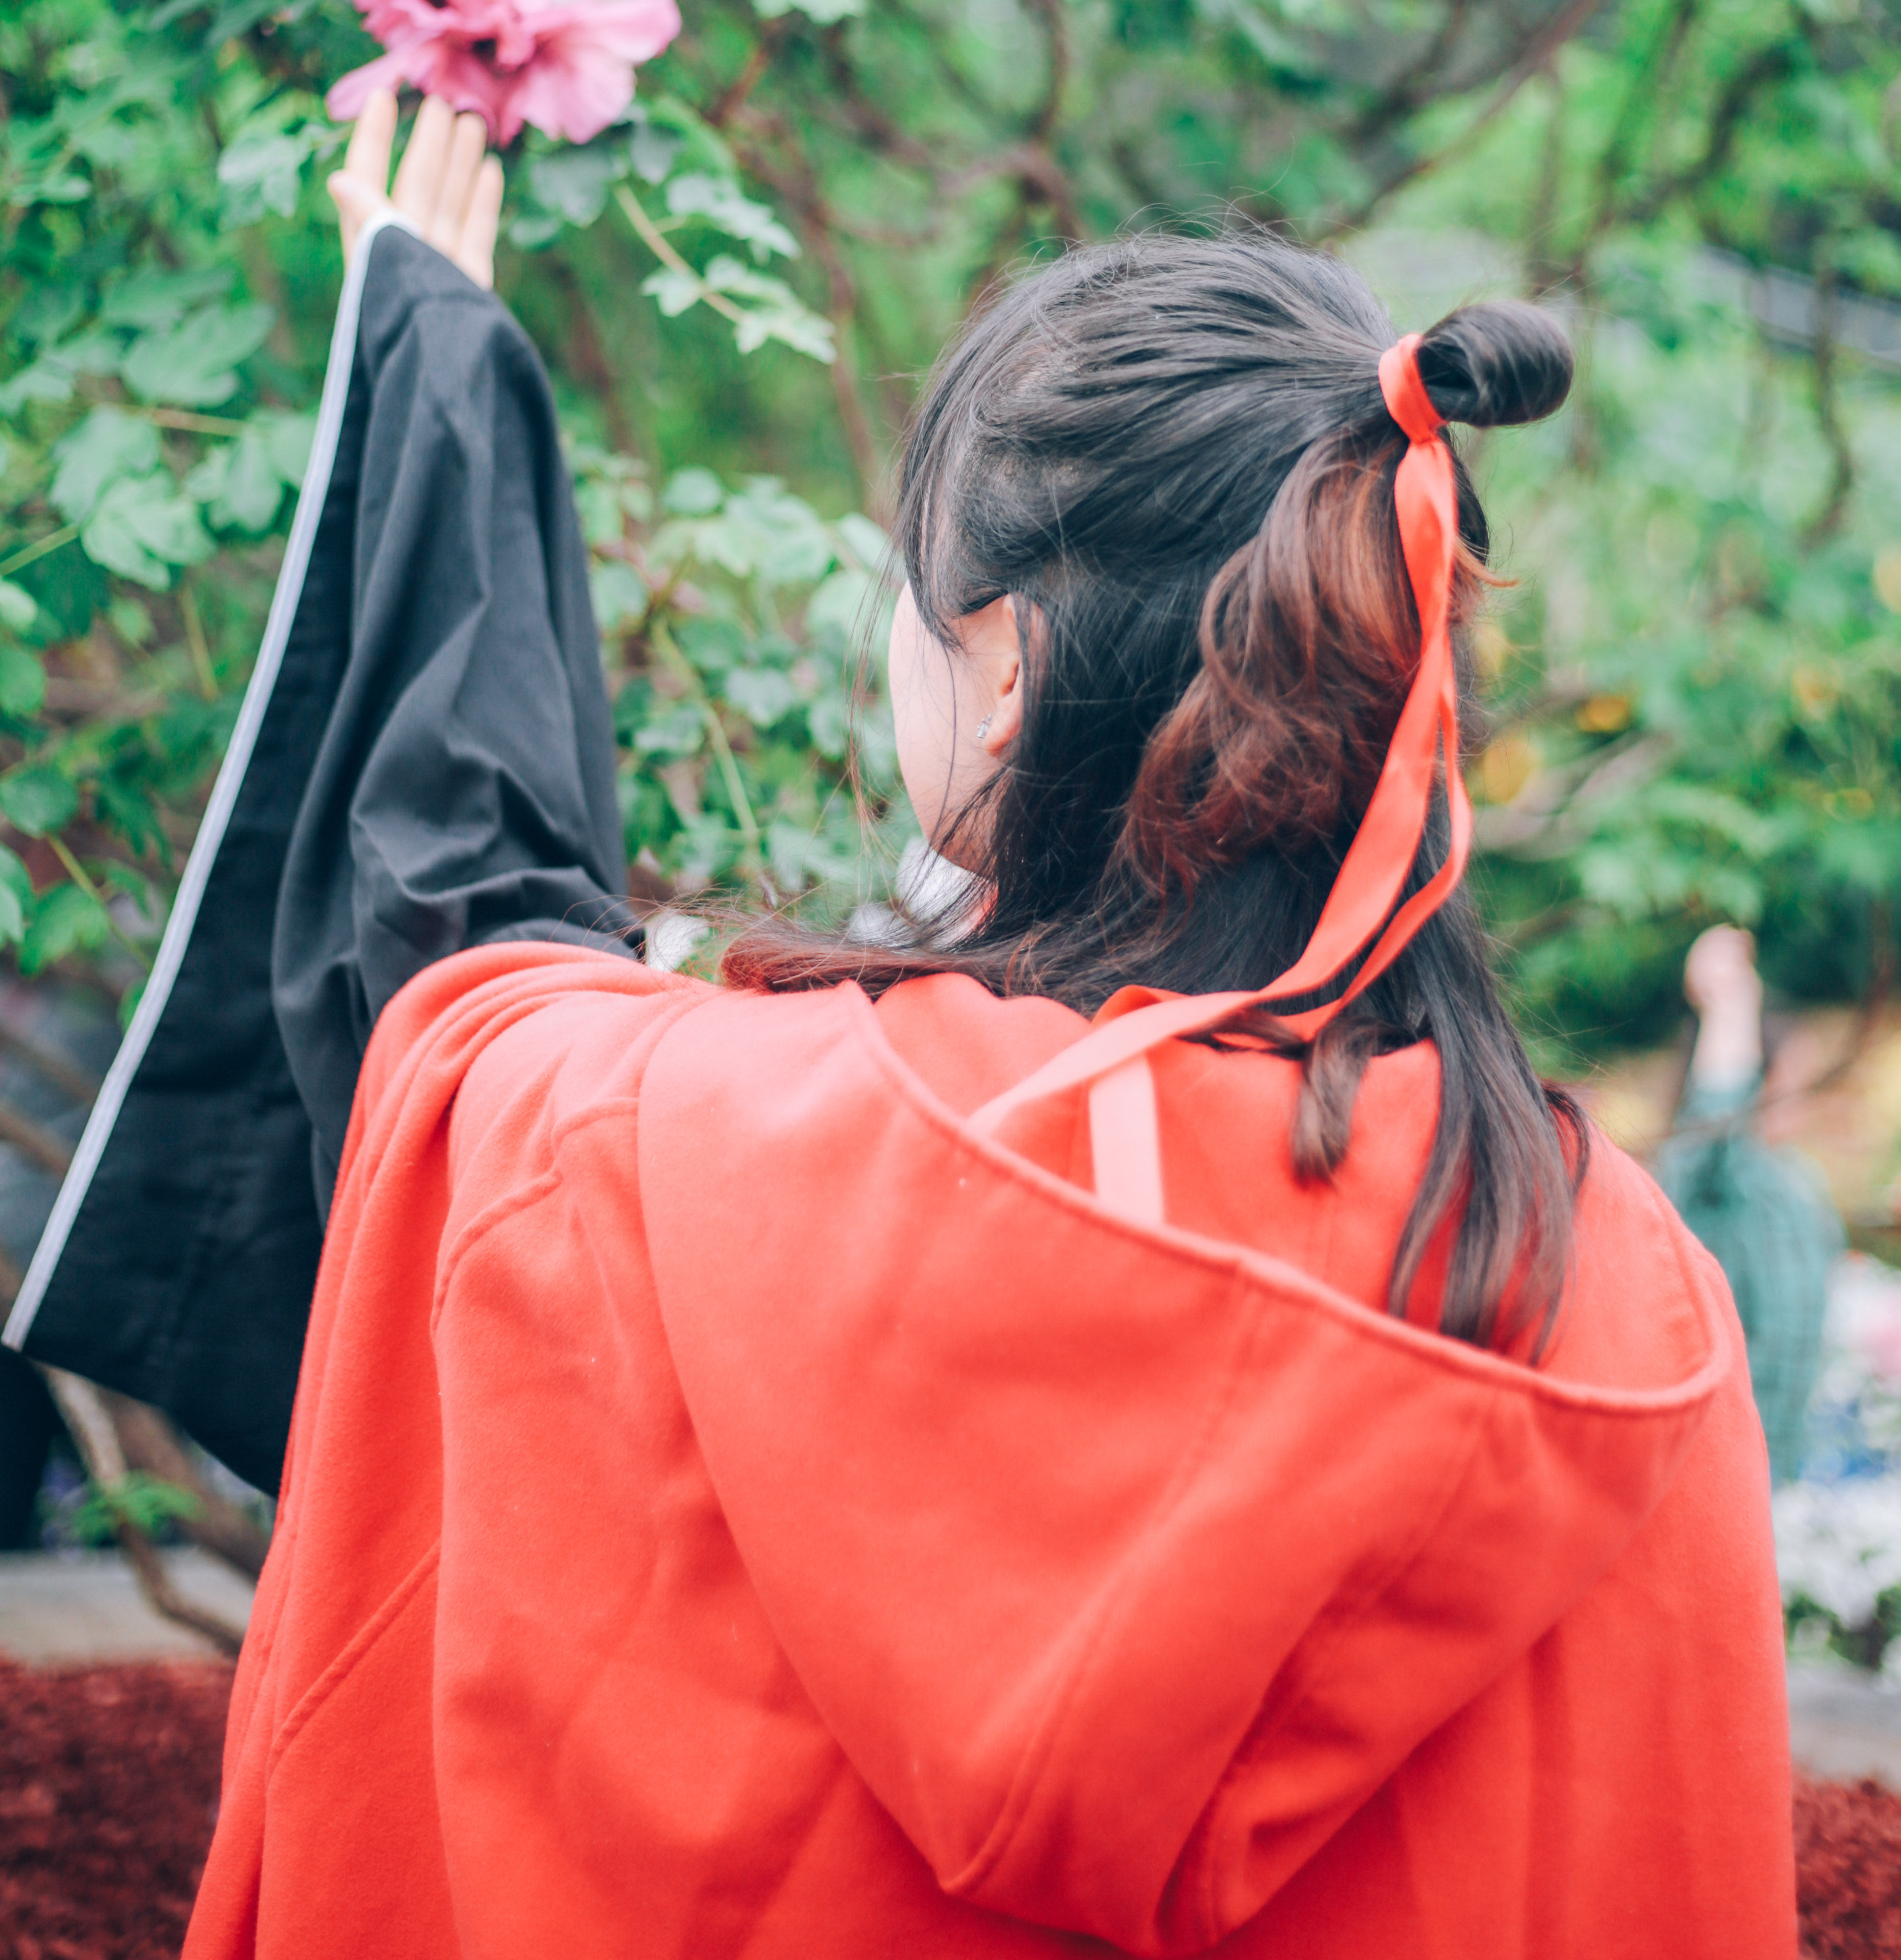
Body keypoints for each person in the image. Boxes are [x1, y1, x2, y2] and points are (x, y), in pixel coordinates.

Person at [176, 95, 1790, 1958]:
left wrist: (438, 382)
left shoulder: (689, 1151)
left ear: (1006, 660)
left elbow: (467, 945)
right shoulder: (1615, 1297)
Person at [1661, 922, 1842, 1483]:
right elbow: (1719, 1116)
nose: (1806, 1095)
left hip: (1776, 1465)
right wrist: (1730, 1004)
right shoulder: (1714, 1174)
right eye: (1794, 1076)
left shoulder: (1792, 1177)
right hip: (1713, 1466)